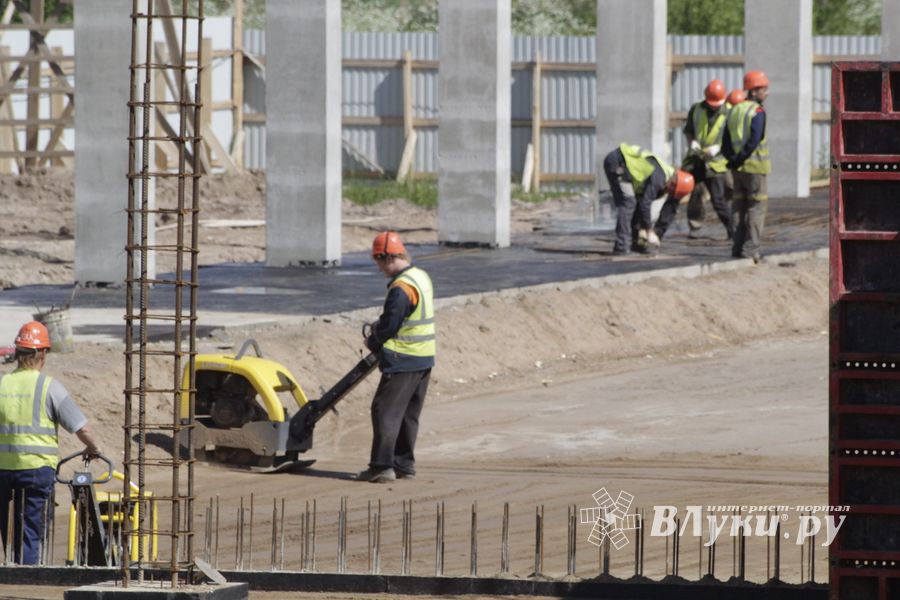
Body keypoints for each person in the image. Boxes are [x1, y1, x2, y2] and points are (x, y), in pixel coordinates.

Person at [0, 321, 101, 564]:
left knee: (8, 527)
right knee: (31, 529)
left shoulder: (2, 384)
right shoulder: (49, 387)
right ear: (41, 353)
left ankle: (11, 568)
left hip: (2, 470)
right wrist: (94, 449)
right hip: (36, 471)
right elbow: (81, 427)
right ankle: (27, 576)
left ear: (18, 352)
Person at [357, 232, 434, 484]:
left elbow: (391, 326)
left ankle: (382, 466)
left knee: (385, 411)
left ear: (386, 257)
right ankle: (403, 464)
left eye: (378, 262)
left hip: (403, 359)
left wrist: (374, 341)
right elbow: (408, 316)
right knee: (408, 414)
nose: (379, 268)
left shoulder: (401, 288)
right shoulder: (420, 276)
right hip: (423, 359)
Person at [655, 79, 733, 242]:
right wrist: (693, 143)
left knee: (718, 201)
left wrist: (719, 148)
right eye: (711, 103)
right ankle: (657, 233)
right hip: (694, 160)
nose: (714, 107)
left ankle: (734, 233)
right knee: (676, 194)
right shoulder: (697, 109)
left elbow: (734, 139)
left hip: (715, 163)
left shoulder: (730, 113)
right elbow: (689, 131)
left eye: (716, 104)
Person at [603, 142, 695, 255]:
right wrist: (649, 230)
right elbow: (645, 204)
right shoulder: (659, 179)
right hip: (617, 162)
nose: (668, 193)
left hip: (624, 165)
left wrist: (642, 229)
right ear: (672, 184)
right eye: (671, 192)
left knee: (634, 203)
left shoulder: (667, 176)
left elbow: (642, 204)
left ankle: (636, 244)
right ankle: (621, 246)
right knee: (628, 203)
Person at [722, 70, 770, 262]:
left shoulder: (735, 110)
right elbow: (754, 140)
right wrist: (741, 159)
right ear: (754, 90)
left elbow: (725, 140)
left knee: (738, 208)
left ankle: (737, 249)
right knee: (756, 209)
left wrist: (732, 161)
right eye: (764, 89)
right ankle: (752, 251)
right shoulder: (757, 112)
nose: (766, 93)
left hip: (737, 170)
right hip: (756, 169)